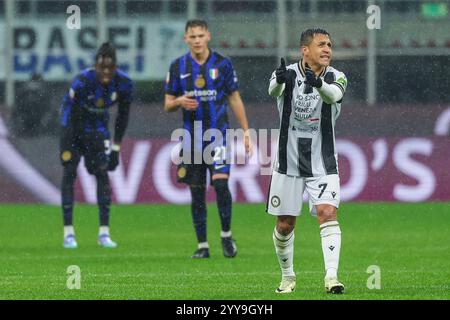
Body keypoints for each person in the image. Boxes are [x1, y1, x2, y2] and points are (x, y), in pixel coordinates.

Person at [267, 28, 347, 294]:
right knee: (284, 224)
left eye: (330, 45)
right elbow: (272, 90)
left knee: (327, 213)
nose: (327, 49)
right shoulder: (287, 73)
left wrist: (318, 84)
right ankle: (288, 277)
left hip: (323, 161)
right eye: (321, 44)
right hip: (287, 161)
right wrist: (279, 80)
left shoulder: (337, 77)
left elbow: (334, 95)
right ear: (305, 50)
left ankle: (332, 278)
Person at [164, 19, 252, 259]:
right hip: (192, 140)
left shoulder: (222, 64)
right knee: (197, 193)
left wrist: (245, 131)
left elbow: (234, 98)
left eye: (200, 35)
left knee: (221, 185)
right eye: (192, 37)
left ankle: (226, 235)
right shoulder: (177, 66)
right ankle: (202, 245)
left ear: (208, 36)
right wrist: (179, 102)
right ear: (186, 39)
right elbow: (168, 104)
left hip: (218, 136)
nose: (197, 40)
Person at [59, 42, 133, 249]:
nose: (106, 72)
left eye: (110, 68)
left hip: (98, 130)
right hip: (72, 130)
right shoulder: (83, 81)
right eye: (102, 68)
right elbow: (69, 112)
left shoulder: (124, 83)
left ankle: (104, 234)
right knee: (69, 174)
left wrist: (116, 148)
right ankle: (69, 233)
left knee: (102, 174)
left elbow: (122, 117)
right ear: (96, 66)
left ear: (116, 67)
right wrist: (70, 140)